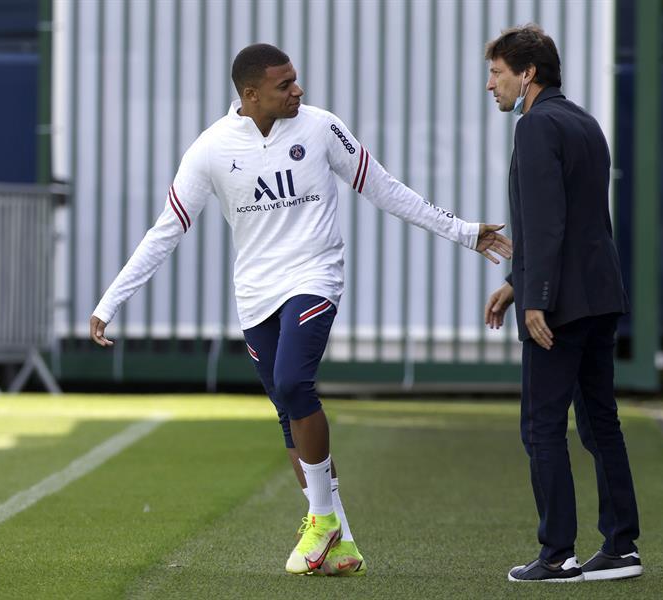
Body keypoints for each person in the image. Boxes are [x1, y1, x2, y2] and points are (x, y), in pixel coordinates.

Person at [91, 43, 512, 575]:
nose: (298, 91)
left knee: (294, 384)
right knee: (288, 415)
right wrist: (111, 301)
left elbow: (382, 188)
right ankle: (343, 542)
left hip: (315, 277)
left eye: (296, 80)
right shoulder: (210, 150)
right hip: (255, 295)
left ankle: (319, 518)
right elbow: (166, 231)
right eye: (284, 85)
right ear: (250, 94)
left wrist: (462, 231)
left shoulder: (320, 128)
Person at [483, 25, 643, 583]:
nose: (490, 85)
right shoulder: (582, 121)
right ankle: (622, 548)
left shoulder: (534, 127)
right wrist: (515, 281)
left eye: (498, 73)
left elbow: (548, 222)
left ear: (527, 74)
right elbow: (573, 221)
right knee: (601, 423)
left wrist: (536, 300)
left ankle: (557, 555)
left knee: (542, 428)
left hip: (560, 306)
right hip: (600, 297)